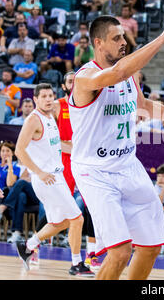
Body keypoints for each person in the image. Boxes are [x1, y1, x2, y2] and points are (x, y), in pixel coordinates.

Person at [68, 3, 164, 280]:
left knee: (151, 246)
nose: (124, 42)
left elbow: (145, 107)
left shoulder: (129, 75)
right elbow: (116, 73)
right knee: (120, 252)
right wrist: (163, 37)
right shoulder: (85, 78)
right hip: (94, 171)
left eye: (124, 37)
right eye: (117, 38)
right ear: (98, 43)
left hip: (127, 165)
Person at [14, 83, 93, 276]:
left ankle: (28, 246)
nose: (49, 99)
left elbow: (57, 145)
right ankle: (76, 264)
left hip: (56, 176)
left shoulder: (50, 116)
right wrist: (39, 172)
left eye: (51, 95)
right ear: (36, 99)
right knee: (77, 218)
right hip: (47, 179)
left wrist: (79, 153)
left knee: (62, 222)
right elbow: (19, 150)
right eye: (44, 96)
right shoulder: (33, 120)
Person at [52, 71, 101, 268]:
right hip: (65, 160)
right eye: (70, 81)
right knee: (59, 209)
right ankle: (34, 244)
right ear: (64, 86)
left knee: (92, 208)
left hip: (87, 160)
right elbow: (52, 140)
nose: (73, 84)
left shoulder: (90, 104)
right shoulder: (58, 105)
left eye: (76, 81)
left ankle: (91, 254)